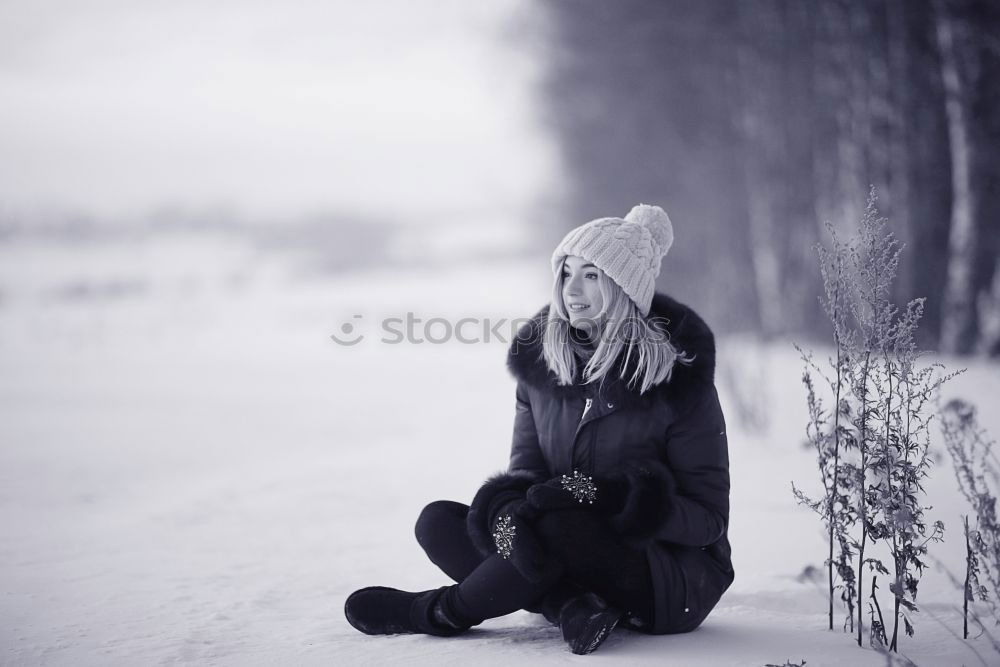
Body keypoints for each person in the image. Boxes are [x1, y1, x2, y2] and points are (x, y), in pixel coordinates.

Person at [344, 204, 734, 654]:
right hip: (569, 550)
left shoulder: (679, 385)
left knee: (560, 526)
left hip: (670, 581)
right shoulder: (542, 372)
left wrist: (612, 498)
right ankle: (570, 606)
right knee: (441, 522)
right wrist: (508, 512)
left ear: (625, 288)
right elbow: (527, 474)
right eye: (566, 273)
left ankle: (439, 612)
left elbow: (708, 521)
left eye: (592, 275)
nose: (573, 291)